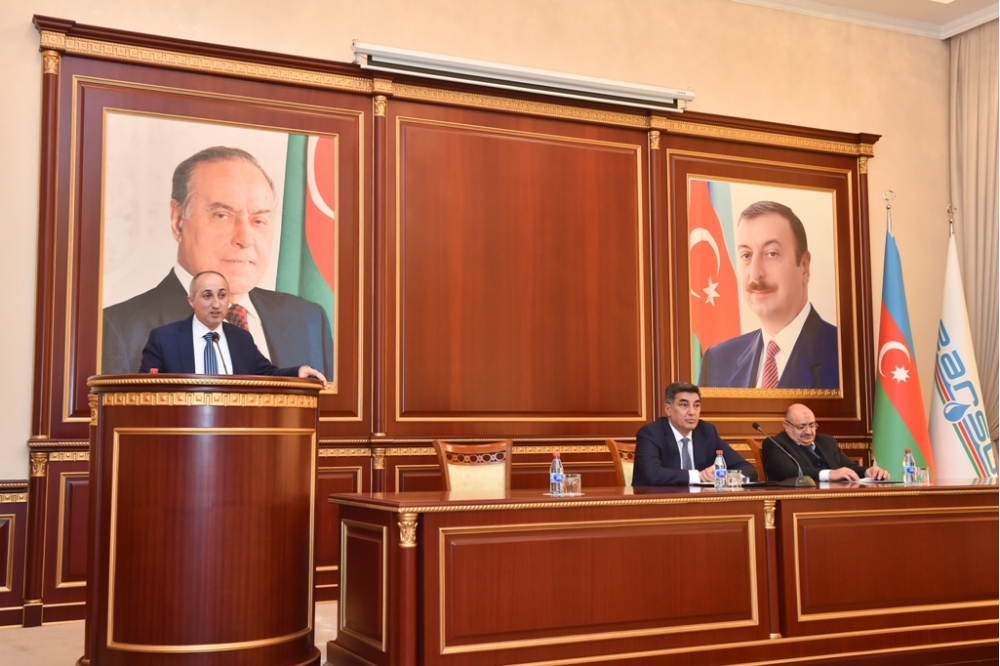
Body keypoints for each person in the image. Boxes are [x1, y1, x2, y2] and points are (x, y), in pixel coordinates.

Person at [102, 146, 333, 377]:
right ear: (178, 221)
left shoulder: (309, 321)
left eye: (259, 220)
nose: (245, 239)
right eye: (222, 216)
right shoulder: (118, 330)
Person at [699, 201, 838, 389]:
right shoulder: (717, 362)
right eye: (746, 255)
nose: (755, 273)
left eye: (771, 254)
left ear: (804, 267)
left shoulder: (845, 355)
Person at [139, 270, 327, 386]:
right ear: (191, 301)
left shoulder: (241, 339)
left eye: (222, 295)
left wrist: (299, 371)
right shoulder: (165, 339)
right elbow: (145, 388)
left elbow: (267, 374)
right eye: (207, 296)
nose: (216, 304)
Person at [632, 382, 758, 486]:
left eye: (696, 405)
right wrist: (699, 476)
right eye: (684, 405)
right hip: (659, 504)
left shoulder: (707, 432)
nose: (692, 412)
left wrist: (722, 476)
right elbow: (653, 474)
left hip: (701, 503)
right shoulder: (651, 433)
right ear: (668, 409)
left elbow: (749, 470)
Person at [762, 403, 888, 482]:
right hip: (803, 501)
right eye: (801, 427)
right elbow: (789, 472)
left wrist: (868, 471)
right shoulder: (774, 444)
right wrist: (830, 474)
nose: (809, 432)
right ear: (786, 426)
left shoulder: (826, 441)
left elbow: (849, 467)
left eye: (812, 425)